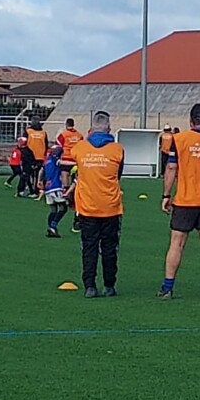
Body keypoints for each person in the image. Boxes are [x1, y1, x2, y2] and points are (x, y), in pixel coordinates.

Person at [157, 103, 200, 302]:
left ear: (190, 120)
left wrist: (166, 195)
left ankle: (167, 288)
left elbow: (171, 168)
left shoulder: (179, 140)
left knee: (177, 243)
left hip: (186, 200)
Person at [71, 111, 125, 298]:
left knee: (89, 247)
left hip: (87, 207)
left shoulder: (79, 148)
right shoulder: (117, 150)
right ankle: (109, 285)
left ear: (91, 129)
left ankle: (90, 286)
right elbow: (118, 175)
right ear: (109, 129)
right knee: (110, 248)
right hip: (111, 207)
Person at [41, 145, 69, 237]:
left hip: (48, 188)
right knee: (63, 208)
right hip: (55, 186)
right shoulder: (54, 159)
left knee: (53, 209)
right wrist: (76, 163)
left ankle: (50, 228)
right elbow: (62, 162)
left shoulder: (47, 160)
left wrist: (39, 181)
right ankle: (53, 226)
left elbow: (41, 171)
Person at [56, 118, 83, 186]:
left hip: (66, 158)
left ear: (66, 124)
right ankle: (74, 189)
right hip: (76, 159)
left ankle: (65, 189)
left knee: (64, 174)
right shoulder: (79, 135)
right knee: (76, 178)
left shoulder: (63, 134)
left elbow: (58, 146)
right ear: (74, 124)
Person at [25, 118, 49, 189]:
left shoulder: (28, 131)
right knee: (38, 172)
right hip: (40, 155)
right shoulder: (43, 132)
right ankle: (37, 186)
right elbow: (46, 144)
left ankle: (30, 186)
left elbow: (24, 143)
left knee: (29, 172)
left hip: (30, 156)